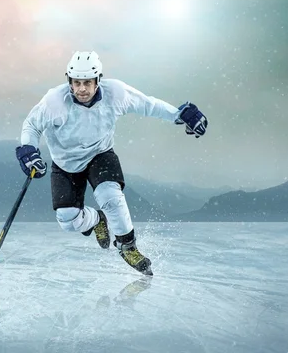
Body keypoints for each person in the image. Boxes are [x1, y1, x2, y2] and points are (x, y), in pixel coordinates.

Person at [15, 51, 208, 276]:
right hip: (65, 164)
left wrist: (178, 115)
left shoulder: (115, 93)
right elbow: (31, 125)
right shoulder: (54, 102)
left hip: (100, 154)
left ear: (98, 80)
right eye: (76, 83)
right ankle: (97, 219)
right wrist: (29, 150)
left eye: (87, 82)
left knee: (110, 196)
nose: (82, 89)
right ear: (69, 81)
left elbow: (148, 105)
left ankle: (127, 246)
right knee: (67, 220)